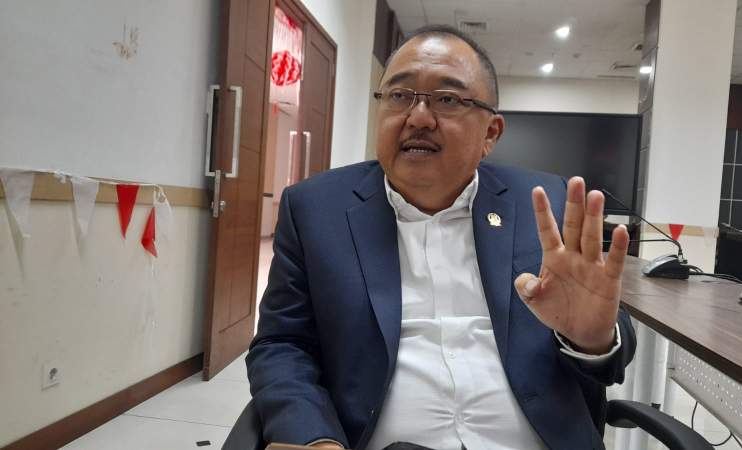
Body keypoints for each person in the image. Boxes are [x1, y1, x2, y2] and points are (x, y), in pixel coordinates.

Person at [246, 24, 635, 450]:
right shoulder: (315, 209)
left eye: (447, 99)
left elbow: (605, 342)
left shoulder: (545, 203)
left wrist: (591, 340)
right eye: (399, 95)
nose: (418, 117)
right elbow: (282, 344)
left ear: (491, 133)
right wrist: (314, 438)